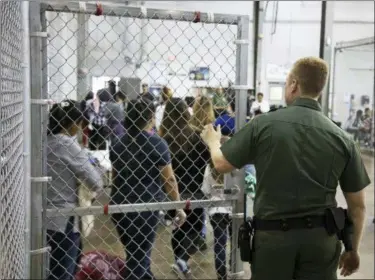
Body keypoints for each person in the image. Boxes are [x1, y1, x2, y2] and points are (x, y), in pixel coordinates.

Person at [200, 56, 370, 279]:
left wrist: (213, 140)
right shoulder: (343, 138)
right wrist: (352, 250)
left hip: (273, 240)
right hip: (320, 241)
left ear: (293, 85)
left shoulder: (264, 124)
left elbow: (221, 164)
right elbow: (357, 207)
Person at [110, 98, 186, 280]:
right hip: (145, 207)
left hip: (120, 204)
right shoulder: (157, 144)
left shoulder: (118, 143)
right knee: (139, 256)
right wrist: (178, 206)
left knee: (135, 253)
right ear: (151, 118)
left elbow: (115, 176)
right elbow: (169, 179)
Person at [46, 100, 104, 280]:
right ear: (72, 123)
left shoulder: (43, 141)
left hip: (42, 216)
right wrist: (95, 168)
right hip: (65, 219)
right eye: (79, 124)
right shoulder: (67, 144)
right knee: (64, 271)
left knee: (49, 270)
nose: (80, 128)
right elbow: (96, 182)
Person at [159, 98, 211, 279]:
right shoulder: (197, 137)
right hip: (196, 191)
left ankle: (179, 260)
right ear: (186, 113)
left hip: (174, 193)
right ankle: (183, 260)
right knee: (195, 229)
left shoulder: (164, 140)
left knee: (177, 228)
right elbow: (208, 160)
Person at [201, 136, 233, 280]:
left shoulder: (209, 167)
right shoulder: (234, 166)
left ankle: (221, 275)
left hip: (216, 210)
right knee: (236, 241)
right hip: (233, 208)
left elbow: (206, 190)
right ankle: (234, 267)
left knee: (219, 244)